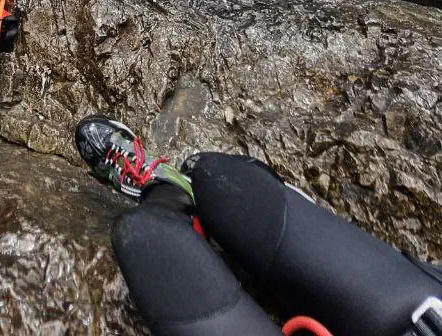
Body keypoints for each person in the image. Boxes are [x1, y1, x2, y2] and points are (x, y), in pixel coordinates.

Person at [75, 115, 442, 336]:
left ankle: (165, 192)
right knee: (221, 181)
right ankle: (193, 196)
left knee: (145, 237)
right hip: (421, 318)